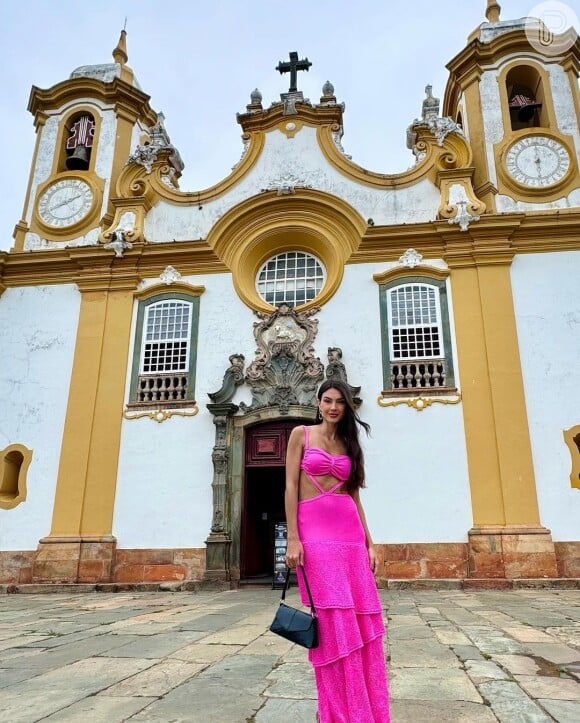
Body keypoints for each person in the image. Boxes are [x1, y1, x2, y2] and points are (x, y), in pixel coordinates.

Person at [285, 379, 390, 722]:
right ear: (318, 403)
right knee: (332, 621)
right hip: (313, 535)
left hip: (349, 536)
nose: (333, 407)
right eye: (327, 400)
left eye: (339, 402)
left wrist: (370, 543)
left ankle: (363, 708)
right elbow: (289, 487)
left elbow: (354, 496)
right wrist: (293, 538)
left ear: (346, 407)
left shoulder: (348, 442)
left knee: (358, 617)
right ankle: (336, 710)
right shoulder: (301, 434)